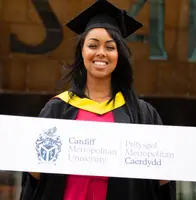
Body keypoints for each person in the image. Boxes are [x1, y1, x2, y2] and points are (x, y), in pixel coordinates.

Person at [19, 0, 176, 200]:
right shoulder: (57, 109)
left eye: (110, 47)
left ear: (119, 55)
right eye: (93, 45)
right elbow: (35, 180)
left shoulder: (142, 114)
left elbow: (161, 184)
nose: (101, 52)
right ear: (82, 52)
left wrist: (166, 173)